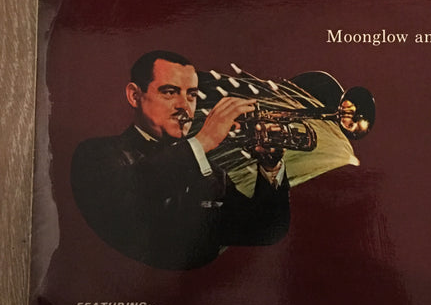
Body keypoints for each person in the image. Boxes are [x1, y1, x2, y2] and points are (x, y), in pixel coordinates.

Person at [70, 50, 290, 269]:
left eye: (192, 95)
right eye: (169, 92)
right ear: (134, 96)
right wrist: (204, 141)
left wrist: (270, 166)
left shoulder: (213, 173)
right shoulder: (96, 154)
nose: (184, 106)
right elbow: (127, 203)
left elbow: (264, 230)